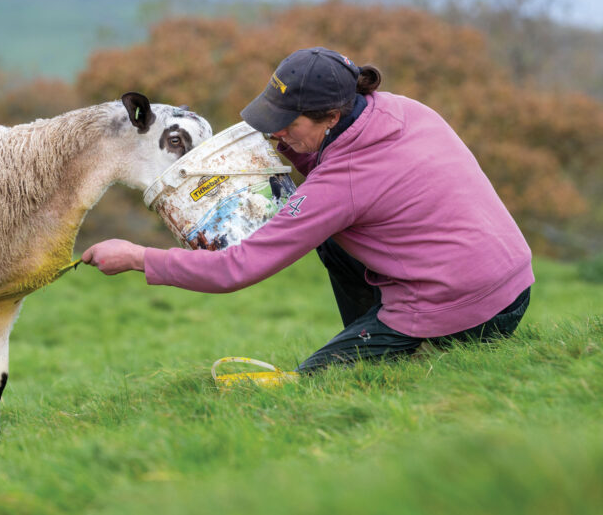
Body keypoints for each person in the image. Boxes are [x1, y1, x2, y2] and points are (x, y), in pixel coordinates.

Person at [81, 47, 533, 372]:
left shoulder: (343, 182)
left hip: (468, 310)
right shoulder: (398, 110)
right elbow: (332, 164)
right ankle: (370, 332)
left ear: (331, 117)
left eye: (286, 124)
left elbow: (234, 269)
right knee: (336, 244)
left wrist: (138, 258)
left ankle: (392, 341)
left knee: (316, 380)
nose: (276, 135)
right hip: (511, 281)